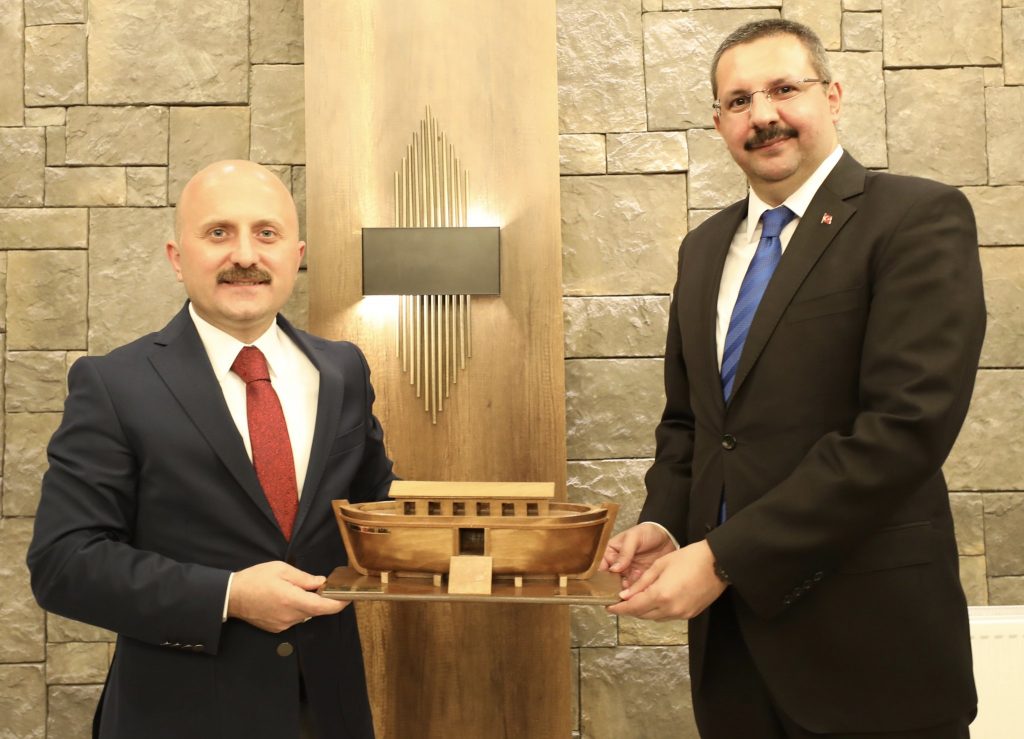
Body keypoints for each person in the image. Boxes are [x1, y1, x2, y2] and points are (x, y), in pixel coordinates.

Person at [602, 19, 984, 739]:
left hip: (873, 651)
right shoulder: (702, 248)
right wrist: (665, 522)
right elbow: (692, 425)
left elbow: (904, 430)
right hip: (734, 661)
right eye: (739, 100)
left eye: (784, 89)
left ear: (832, 96)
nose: (763, 115)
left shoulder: (916, 218)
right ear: (719, 122)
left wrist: (722, 558)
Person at [27, 160, 395, 739]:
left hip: (328, 713)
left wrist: (536, 550)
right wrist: (228, 596)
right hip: (177, 718)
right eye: (219, 232)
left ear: (296, 254)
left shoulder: (343, 370)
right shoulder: (114, 385)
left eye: (266, 233)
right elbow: (64, 564)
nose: (244, 255)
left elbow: (380, 512)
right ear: (178, 258)